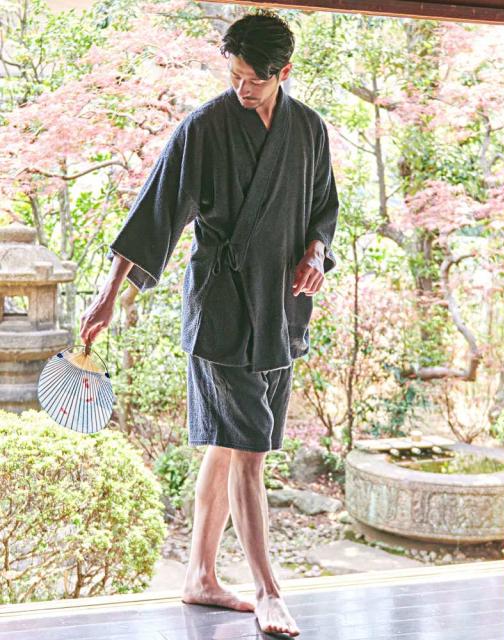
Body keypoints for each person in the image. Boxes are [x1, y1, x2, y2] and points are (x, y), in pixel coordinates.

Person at [79, 10, 339, 638]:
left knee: (226, 445)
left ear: (284, 72)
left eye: (254, 79)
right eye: (234, 75)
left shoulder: (308, 129)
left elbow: (324, 209)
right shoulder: (204, 127)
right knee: (249, 450)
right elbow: (155, 210)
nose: (241, 88)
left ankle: (199, 574)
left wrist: (316, 254)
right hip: (222, 308)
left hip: (281, 309)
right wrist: (109, 294)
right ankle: (269, 592)